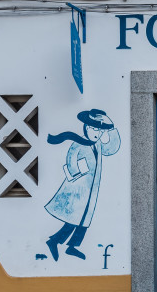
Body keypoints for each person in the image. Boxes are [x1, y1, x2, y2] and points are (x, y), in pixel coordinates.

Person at [44, 109, 120, 260]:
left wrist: (111, 128)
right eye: (93, 129)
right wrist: (78, 170)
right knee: (74, 219)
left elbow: (112, 148)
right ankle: (54, 241)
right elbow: (70, 160)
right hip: (77, 189)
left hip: (91, 190)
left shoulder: (97, 145)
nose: (96, 133)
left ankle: (71, 246)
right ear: (86, 128)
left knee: (84, 220)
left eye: (99, 129)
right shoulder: (78, 144)